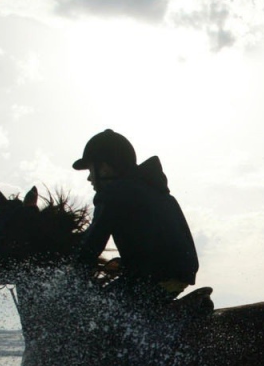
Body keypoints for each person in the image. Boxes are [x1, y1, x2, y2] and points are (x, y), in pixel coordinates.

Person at [72, 129, 199, 311]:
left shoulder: (112, 194)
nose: (89, 177)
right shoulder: (158, 192)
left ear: (105, 167)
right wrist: (127, 264)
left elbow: (91, 245)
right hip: (179, 277)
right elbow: (156, 242)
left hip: (151, 280)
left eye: (91, 169)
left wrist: (69, 276)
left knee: (93, 311)